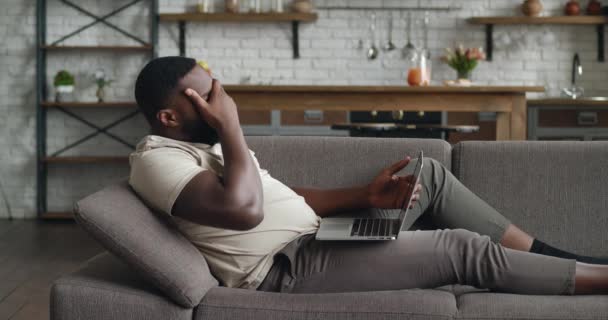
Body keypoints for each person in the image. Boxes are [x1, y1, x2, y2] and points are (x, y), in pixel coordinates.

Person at [129, 56, 608, 295]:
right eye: (203, 98)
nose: (217, 102)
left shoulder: (208, 146)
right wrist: (231, 124)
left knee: (428, 173)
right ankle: (599, 279)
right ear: (167, 117)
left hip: (319, 236)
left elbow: (278, 196)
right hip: (289, 269)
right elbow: (246, 209)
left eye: (216, 92)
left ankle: (556, 257)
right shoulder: (156, 160)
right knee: (460, 248)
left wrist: (367, 194)